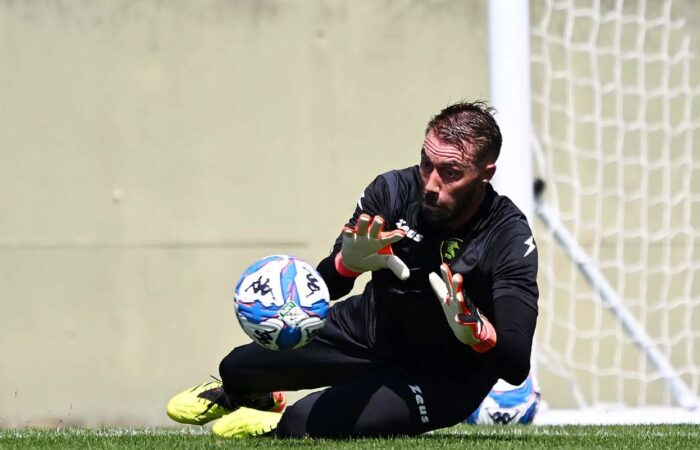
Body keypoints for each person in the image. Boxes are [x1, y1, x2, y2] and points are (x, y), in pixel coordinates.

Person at [166, 101, 539, 438]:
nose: (430, 183)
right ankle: (256, 399)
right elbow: (325, 287)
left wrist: (478, 334)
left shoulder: (508, 235)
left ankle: (277, 427)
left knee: (300, 424)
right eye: (426, 163)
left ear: (486, 173)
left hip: (441, 376)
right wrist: (347, 264)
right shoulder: (391, 191)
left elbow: (515, 364)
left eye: (450, 172)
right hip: (368, 330)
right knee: (237, 368)